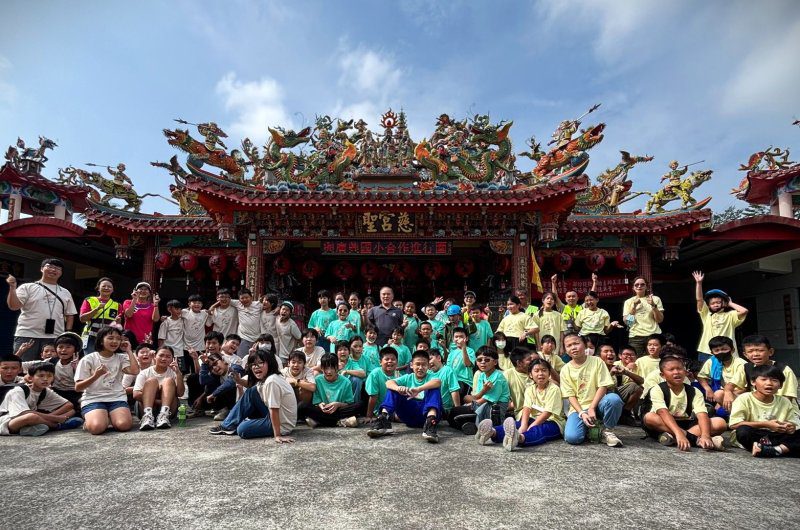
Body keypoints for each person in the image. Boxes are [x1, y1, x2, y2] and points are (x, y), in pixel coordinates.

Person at [641, 354, 726, 451]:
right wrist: (679, 434)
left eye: (679, 369)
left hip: (686, 423)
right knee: (649, 417)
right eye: (671, 370)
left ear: (685, 372)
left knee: (720, 423)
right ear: (663, 375)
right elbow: (662, 412)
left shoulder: (694, 391)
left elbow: (702, 414)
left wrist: (705, 435)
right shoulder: (657, 389)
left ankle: (673, 438)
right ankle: (695, 440)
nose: (676, 372)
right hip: (664, 424)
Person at [209, 348, 297, 442]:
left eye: (260, 363)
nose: (256, 367)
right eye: (253, 364)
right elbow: (253, 385)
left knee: (242, 429)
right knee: (252, 391)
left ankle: (233, 424)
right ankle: (228, 426)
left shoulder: (272, 381)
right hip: (275, 416)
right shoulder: (268, 377)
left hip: (282, 424)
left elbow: (274, 409)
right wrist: (239, 380)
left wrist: (277, 436)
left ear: (270, 364)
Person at [477, 358, 564, 451]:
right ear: (530, 374)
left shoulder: (554, 389)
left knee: (538, 430)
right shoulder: (530, 389)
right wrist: (524, 424)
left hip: (553, 422)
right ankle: (492, 432)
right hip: (533, 418)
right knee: (517, 424)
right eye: (536, 371)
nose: (540, 374)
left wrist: (532, 425)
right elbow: (526, 408)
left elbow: (547, 413)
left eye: (544, 370)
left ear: (549, 373)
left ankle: (519, 438)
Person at [6, 258, 78, 361]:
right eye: (50, 267)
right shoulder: (28, 287)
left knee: (49, 370)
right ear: (41, 269)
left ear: (61, 272)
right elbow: (13, 306)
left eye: (57, 268)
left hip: (54, 336)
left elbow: (70, 314)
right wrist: (12, 288)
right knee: (22, 368)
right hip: (27, 335)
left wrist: (67, 333)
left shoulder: (65, 292)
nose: (53, 270)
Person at [560, 333, 624, 447]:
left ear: (585, 345)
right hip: (578, 408)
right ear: (565, 350)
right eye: (569, 345)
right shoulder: (565, 369)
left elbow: (603, 386)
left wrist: (592, 408)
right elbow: (570, 395)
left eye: (576, 343)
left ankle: (607, 431)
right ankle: (592, 428)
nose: (573, 347)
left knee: (614, 399)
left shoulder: (597, 361)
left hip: (598, 404)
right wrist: (582, 413)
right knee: (572, 438)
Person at [366, 349, 443, 443]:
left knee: (434, 388)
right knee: (393, 389)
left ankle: (430, 425)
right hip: (409, 415)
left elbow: (437, 382)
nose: (420, 367)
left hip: (425, 414)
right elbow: (389, 383)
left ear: (428, 366)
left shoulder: (431, 376)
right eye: (417, 364)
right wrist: (398, 388)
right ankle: (383, 421)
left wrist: (419, 389)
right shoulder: (407, 377)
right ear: (411, 365)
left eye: (424, 364)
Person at [74, 326, 139, 435]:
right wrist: (96, 375)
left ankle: (107, 417)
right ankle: (95, 419)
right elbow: (78, 387)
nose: (115, 341)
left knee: (124, 425)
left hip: (116, 397)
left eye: (118, 339)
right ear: (100, 341)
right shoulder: (88, 359)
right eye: (110, 338)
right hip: (93, 399)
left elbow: (135, 371)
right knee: (97, 428)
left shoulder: (121, 357)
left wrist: (129, 351)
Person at [729, 364, 800, 458]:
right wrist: (766, 424)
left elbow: (793, 423)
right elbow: (734, 424)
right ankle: (782, 449)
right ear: (753, 382)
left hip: (776, 435)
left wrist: (790, 427)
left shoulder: (784, 401)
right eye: (764, 379)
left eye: (774, 380)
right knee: (743, 431)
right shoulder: (744, 398)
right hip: (755, 435)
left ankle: (773, 450)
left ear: (781, 385)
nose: (769, 383)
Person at [0, 363, 79, 437]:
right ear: (31, 378)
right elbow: (23, 413)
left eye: (49, 376)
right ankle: (57, 426)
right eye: (41, 376)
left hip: (32, 418)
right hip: (7, 422)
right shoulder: (18, 390)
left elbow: (69, 405)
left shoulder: (45, 390)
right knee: (31, 417)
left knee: (71, 411)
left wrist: (52, 416)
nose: (45, 379)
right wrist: (55, 418)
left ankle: (30, 428)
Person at [692, 272, 748, 362]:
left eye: (718, 302)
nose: (715, 305)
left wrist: (730, 303)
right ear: (709, 305)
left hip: (726, 350)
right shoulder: (706, 315)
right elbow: (699, 299)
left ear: (724, 303)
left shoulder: (731, 315)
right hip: (707, 351)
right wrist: (699, 283)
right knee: (706, 374)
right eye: (712, 303)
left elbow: (744, 311)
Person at [300, 353, 360, 428]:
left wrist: (337, 404)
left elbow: (349, 403)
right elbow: (316, 400)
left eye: (332, 368)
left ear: (337, 368)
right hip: (323, 410)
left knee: (359, 406)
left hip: (339, 409)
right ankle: (341, 422)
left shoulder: (346, 381)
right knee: (303, 406)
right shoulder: (318, 380)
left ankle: (320, 421)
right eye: (326, 368)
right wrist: (320, 404)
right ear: (321, 368)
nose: (329, 371)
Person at [133, 345, 184, 430]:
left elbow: (180, 393)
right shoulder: (145, 372)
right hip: (146, 408)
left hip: (169, 410)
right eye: (161, 355)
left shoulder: (173, 372)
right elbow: (136, 394)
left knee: (168, 380)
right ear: (155, 356)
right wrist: (158, 401)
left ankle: (164, 415)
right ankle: (147, 417)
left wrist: (178, 373)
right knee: (152, 381)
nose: (164, 359)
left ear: (172, 359)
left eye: (168, 357)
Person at [697, 336, 747, 416]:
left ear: (732, 350)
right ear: (712, 352)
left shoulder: (740, 363)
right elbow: (701, 376)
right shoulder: (712, 361)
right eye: (717, 350)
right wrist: (708, 389)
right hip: (722, 393)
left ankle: (736, 418)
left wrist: (727, 393)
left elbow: (746, 388)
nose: (720, 352)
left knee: (719, 395)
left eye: (724, 349)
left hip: (741, 395)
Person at [742, 334, 798, 406]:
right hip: (758, 408)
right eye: (750, 351)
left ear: (770, 352)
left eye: (760, 350)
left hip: (783, 408)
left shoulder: (784, 370)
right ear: (745, 355)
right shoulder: (746, 368)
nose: (755, 354)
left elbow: (788, 397)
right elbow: (734, 386)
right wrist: (728, 391)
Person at [622, 277, 664, 356]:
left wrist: (653, 305)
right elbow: (628, 323)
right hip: (636, 336)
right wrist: (634, 307)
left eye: (642, 284)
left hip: (653, 335)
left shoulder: (655, 299)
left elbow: (660, 320)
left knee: (655, 360)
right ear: (633, 288)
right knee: (636, 362)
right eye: (636, 285)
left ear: (646, 286)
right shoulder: (628, 302)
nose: (639, 286)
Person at [198, 352, 245, 420]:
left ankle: (233, 411)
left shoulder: (235, 367)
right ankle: (224, 410)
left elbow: (230, 383)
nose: (214, 368)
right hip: (229, 402)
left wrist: (213, 394)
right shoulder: (217, 376)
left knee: (227, 386)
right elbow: (203, 381)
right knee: (209, 386)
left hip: (242, 401)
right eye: (211, 368)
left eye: (215, 363)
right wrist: (204, 364)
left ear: (223, 360)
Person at [78, 277, 120, 353]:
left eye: (109, 286)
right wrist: (96, 309)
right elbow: (82, 319)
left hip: (108, 338)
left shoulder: (117, 305)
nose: (106, 288)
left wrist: (118, 322)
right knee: (90, 361)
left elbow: (118, 326)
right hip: (90, 337)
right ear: (98, 288)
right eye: (104, 286)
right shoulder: (89, 300)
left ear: (113, 290)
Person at [608, 343, 644, 426]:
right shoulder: (615, 364)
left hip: (628, 394)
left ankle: (625, 413)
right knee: (634, 386)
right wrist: (626, 368)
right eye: (626, 354)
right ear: (620, 356)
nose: (629, 356)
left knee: (638, 387)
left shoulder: (638, 366)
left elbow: (641, 381)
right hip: (612, 391)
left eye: (632, 355)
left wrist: (627, 372)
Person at [365, 347, 400, 421]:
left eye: (393, 359)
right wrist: (369, 416)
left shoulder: (399, 375)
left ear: (397, 362)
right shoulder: (375, 374)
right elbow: (373, 397)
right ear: (380, 362)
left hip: (397, 408)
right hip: (381, 410)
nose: (390, 361)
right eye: (387, 359)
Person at [502, 347, 534, 421]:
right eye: (529, 359)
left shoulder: (536, 372)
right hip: (522, 414)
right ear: (519, 363)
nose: (533, 361)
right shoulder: (507, 375)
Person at [230, 289, 263, 358]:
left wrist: (277, 308)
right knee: (241, 360)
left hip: (257, 338)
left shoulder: (258, 305)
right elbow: (224, 300)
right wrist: (213, 307)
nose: (244, 299)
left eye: (247, 297)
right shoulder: (238, 304)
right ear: (239, 299)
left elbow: (270, 307)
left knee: (256, 360)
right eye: (242, 298)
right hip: (243, 338)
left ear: (251, 297)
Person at [158, 299, 187, 372]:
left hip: (179, 351)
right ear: (169, 309)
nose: (179, 311)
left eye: (180, 309)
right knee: (167, 371)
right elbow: (161, 338)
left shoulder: (183, 320)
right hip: (168, 351)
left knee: (179, 372)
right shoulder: (166, 322)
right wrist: (161, 351)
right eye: (176, 309)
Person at [182, 294, 208, 371]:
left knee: (198, 369)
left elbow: (209, 323)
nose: (197, 304)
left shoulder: (204, 313)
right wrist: (165, 317)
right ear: (189, 304)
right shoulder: (184, 312)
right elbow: (174, 316)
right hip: (186, 347)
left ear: (202, 305)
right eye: (194, 302)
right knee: (185, 370)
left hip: (200, 346)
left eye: (199, 303)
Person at [447, 327, 476, 397]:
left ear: (466, 338)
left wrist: (463, 347)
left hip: (465, 381)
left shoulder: (470, 351)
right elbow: (448, 369)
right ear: (453, 339)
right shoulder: (451, 353)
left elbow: (468, 364)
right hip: (453, 381)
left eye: (461, 337)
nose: (458, 339)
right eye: (456, 337)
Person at [533, 292, 564, 356]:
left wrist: (561, 347)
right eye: (548, 298)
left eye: (552, 299)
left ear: (554, 302)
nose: (549, 300)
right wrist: (538, 345)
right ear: (543, 300)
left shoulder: (558, 315)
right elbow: (535, 332)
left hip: (555, 345)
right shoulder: (536, 315)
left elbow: (561, 331)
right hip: (542, 345)